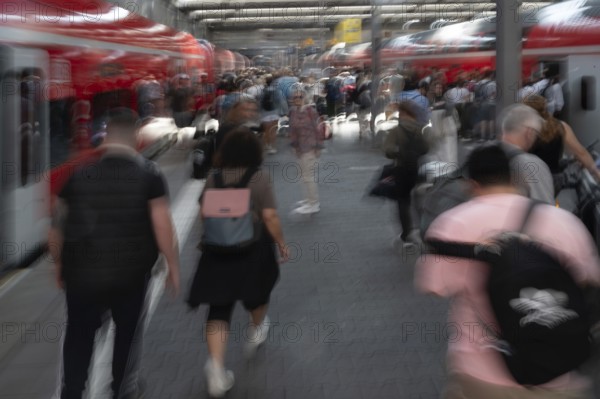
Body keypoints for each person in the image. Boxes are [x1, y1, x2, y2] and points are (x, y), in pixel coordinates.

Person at [416, 144, 600, 399]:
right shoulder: (563, 222)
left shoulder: (453, 224)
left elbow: (433, 287)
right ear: (514, 179)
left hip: (483, 373)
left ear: (471, 184)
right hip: (560, 376)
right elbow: (589, 279)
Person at [48, 108, 180, 399]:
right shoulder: (150, 174)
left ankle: (72, 391)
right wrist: (173, 265)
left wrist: (58, 267)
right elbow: (162, 225)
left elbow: (57, 226)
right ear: (135, 137)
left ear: (106, 138)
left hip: (81, 275)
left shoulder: (79, 174)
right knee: (127, 335)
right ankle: (122, 388)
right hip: (131, 275)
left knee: (79, 336)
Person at [187, 127, 289, 397]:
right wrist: (281, 242)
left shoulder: (214, 177)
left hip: (218, 251)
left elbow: (204, 214)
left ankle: (216, 370)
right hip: (253, 250)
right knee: (258, 293)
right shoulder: (259, 178)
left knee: (219, 308)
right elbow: (270, 216)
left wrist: (208, 238)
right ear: (255, 152)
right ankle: (256, 329)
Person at [523, 95, 600, 191]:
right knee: (577, 164)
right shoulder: (560, 126)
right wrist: (597, 173)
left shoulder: (525, 131)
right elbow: (581, 152)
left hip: (532, 181)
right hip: (554, 180)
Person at [382, 100, 429, 248]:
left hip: (401, 169)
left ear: (403, 113)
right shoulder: (420, 128)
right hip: (417, 169)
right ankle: (423, 231)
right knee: (418, 201)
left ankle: (406, 235)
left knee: (403, 202)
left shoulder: (396, 130)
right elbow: (426, 148)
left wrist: (399, 153)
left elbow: (388, 150)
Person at [499, 103, 555, 204]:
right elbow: (545, 211)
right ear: (529, 133)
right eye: (536, 134)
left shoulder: (486, 155)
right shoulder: (530, 164)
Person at [288, 89, 324, 214]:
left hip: (310, 147)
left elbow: (319, 129)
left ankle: (313, 203)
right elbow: (292, 130)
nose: (297, 99)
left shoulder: (311, 111)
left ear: (305, 97)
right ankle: (308, 199)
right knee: (303, 176)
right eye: (295, 97)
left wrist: (319, 147)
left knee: (308, 176)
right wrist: (293, 146)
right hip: (299, 148)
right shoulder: (293, 111)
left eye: (300, 96)